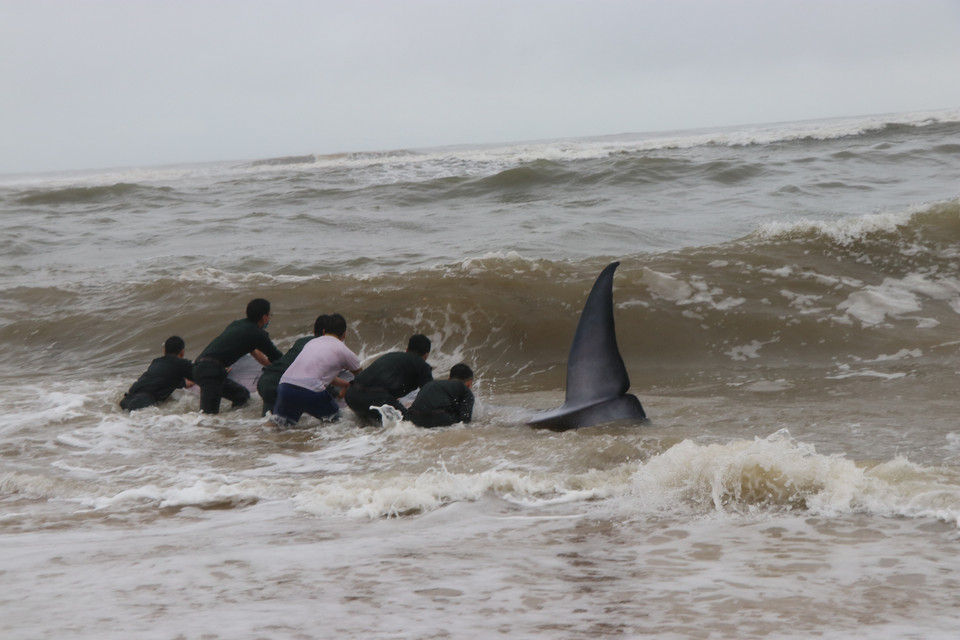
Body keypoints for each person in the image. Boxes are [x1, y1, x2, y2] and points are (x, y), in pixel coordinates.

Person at [193, 298, 283, 414]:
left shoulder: (237, 325)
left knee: (241, 395)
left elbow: (256, 354)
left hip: (202, 368)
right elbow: (277, 357)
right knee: (208, 416)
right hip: (211, 372)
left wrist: (270, 366)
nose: (270, 318)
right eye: (270, 315)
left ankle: (234, 422)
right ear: (264, 317)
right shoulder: (257, 334)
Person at [271, 313, 362, 427]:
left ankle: (258, 435)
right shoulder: (343, 350)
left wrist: (345, 384)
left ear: (324, 332)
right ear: (344, 334)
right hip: (311, 391)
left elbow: (318, 375)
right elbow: (361, 377)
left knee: (278, 426)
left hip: (285, 386)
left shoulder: (311, 343)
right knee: (338, 423)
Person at [344, 334, 433, 422]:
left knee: (367, 425)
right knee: (410, 422)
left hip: (351, 395)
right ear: (426, 354)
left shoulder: (392, 356)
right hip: (375, 399)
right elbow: (430, 394)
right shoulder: (422, 366)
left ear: (407, 349)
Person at [257, 314, 328, 416]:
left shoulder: (301, 341)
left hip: (265, 380)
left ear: (314, 330)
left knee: (267, 422)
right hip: (278, 386)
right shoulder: (324, 347)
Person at [120, 336, 195, 411]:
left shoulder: (156, 362)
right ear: (182, 352)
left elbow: (162, 380)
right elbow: (199, 375)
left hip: (127, 400)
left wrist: (184, 383)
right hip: (142, 402)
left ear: (164, 351)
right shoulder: (182, 364)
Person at [406, 363, 475, 428]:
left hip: (413, 417)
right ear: (469, 383)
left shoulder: (432, 384)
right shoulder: (465, 390)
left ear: (449, 378)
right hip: (437, 418)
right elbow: (464, 421)